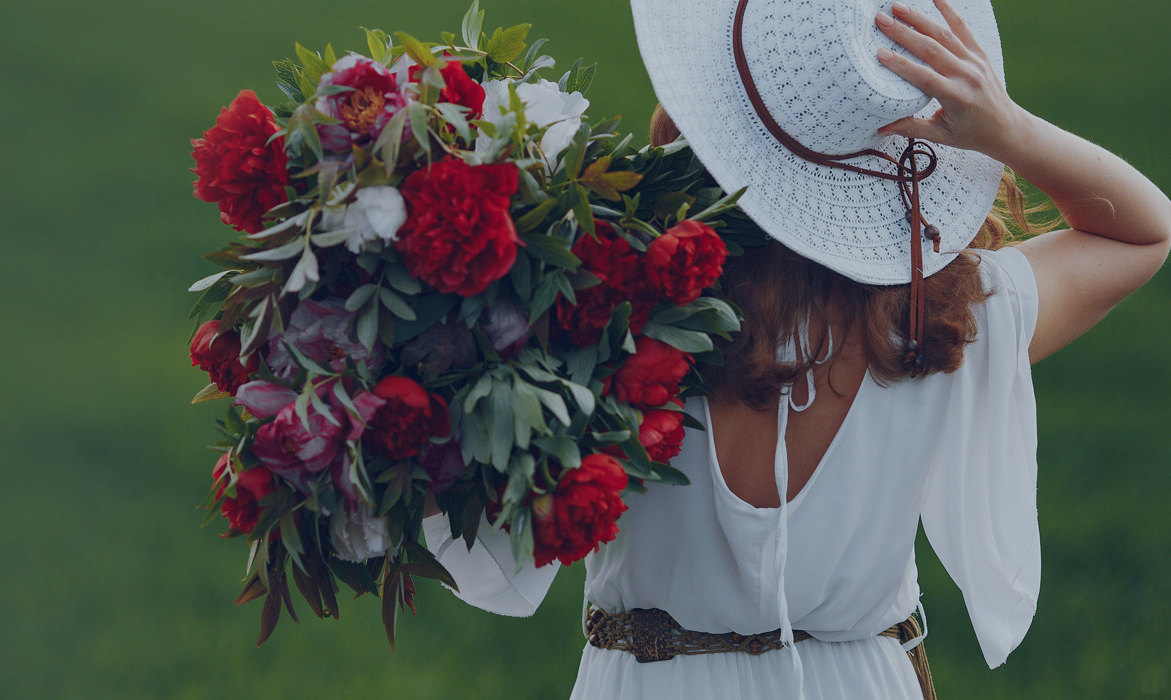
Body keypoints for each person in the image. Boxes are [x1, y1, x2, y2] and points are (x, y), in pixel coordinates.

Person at [419, 0, 1171, 698]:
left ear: (706, 110)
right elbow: (1143, 231)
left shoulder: (614, 302)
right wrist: (1010, 130)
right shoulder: (945, 321)